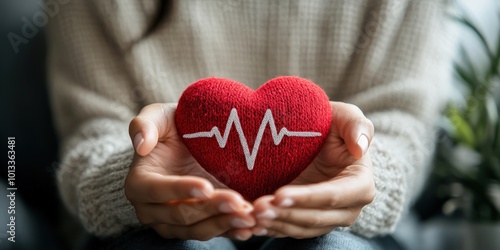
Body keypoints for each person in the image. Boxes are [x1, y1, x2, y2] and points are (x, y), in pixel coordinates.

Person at [47, 0, 453, 249]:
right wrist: (128, 179)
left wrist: (364, 170)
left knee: (331, 248)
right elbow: (92, 131)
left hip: (353, 230)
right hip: (147, 230)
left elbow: (405, 123)